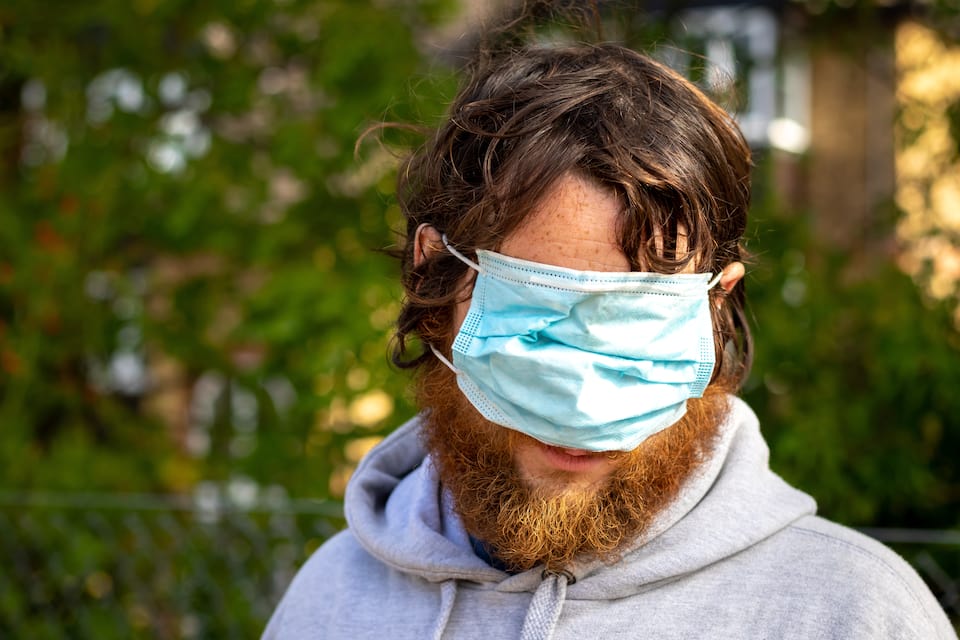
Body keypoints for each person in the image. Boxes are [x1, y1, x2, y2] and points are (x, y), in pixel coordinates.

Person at [263, 42, 956, 639]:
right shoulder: (329, 604)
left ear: (716, 306)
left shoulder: (853, 615)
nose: (582, 401)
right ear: (433, 275)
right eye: (539, 319)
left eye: (637, 327)